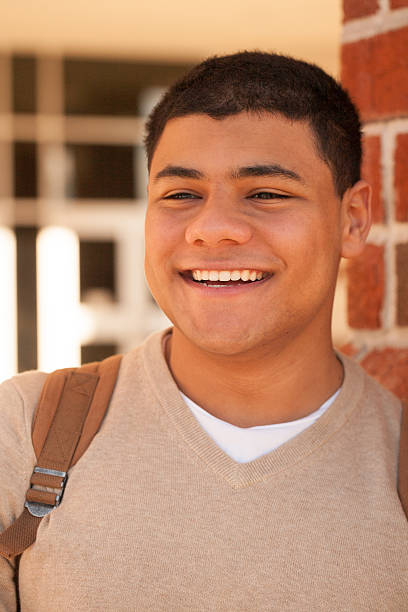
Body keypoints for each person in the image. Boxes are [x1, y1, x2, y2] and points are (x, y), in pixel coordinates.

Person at [0, 51, 407, 611]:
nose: (212, 228)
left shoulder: (397, 467)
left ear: (353, 219)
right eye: (181, 194)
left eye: (266, 193)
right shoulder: (27, 432)